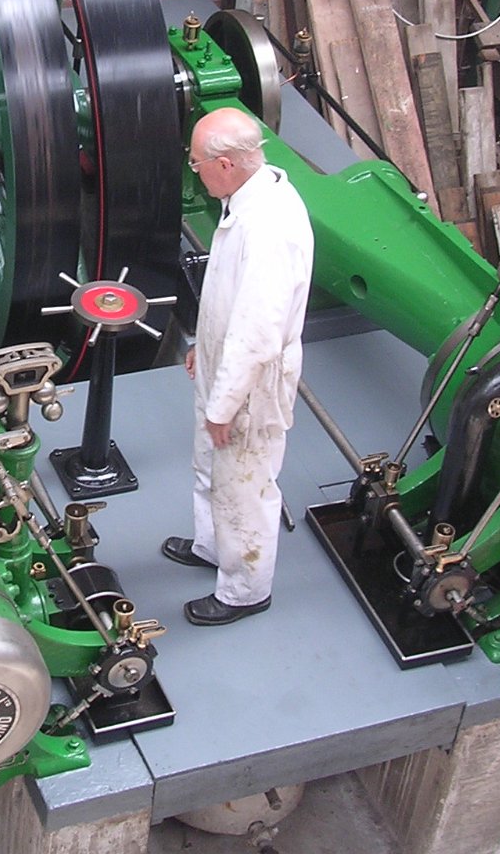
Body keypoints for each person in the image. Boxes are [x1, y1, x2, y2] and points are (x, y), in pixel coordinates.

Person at [163, 107, 314, 625]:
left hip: (250, 384)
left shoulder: (268, 228)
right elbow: (231, 301)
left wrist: (225, 405)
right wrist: (203, 349)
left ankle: (245, 591)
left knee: (244, 485)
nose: (194, 169)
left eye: (198, 161)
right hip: (223, 366)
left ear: (225, 164)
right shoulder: (244, 199)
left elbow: (257, 333)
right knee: (211, 466)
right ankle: (212, 546)